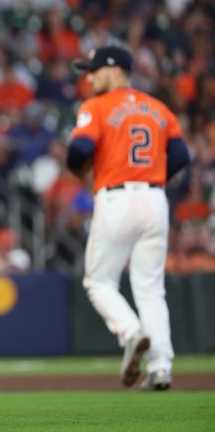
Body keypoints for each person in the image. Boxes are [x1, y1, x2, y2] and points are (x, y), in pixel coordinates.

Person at [66, 45, 190, 391]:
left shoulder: (97, 106)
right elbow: (180, 155)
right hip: (154, 198)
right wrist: (152, 172)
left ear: (116, 69)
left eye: (95, 70)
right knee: (150, 288)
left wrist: (82, 169)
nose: (89, 77)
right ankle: (161, 366)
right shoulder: (159, 109)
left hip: (117, 197)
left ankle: (131, 331)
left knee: (98, 282)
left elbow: (79, 150)